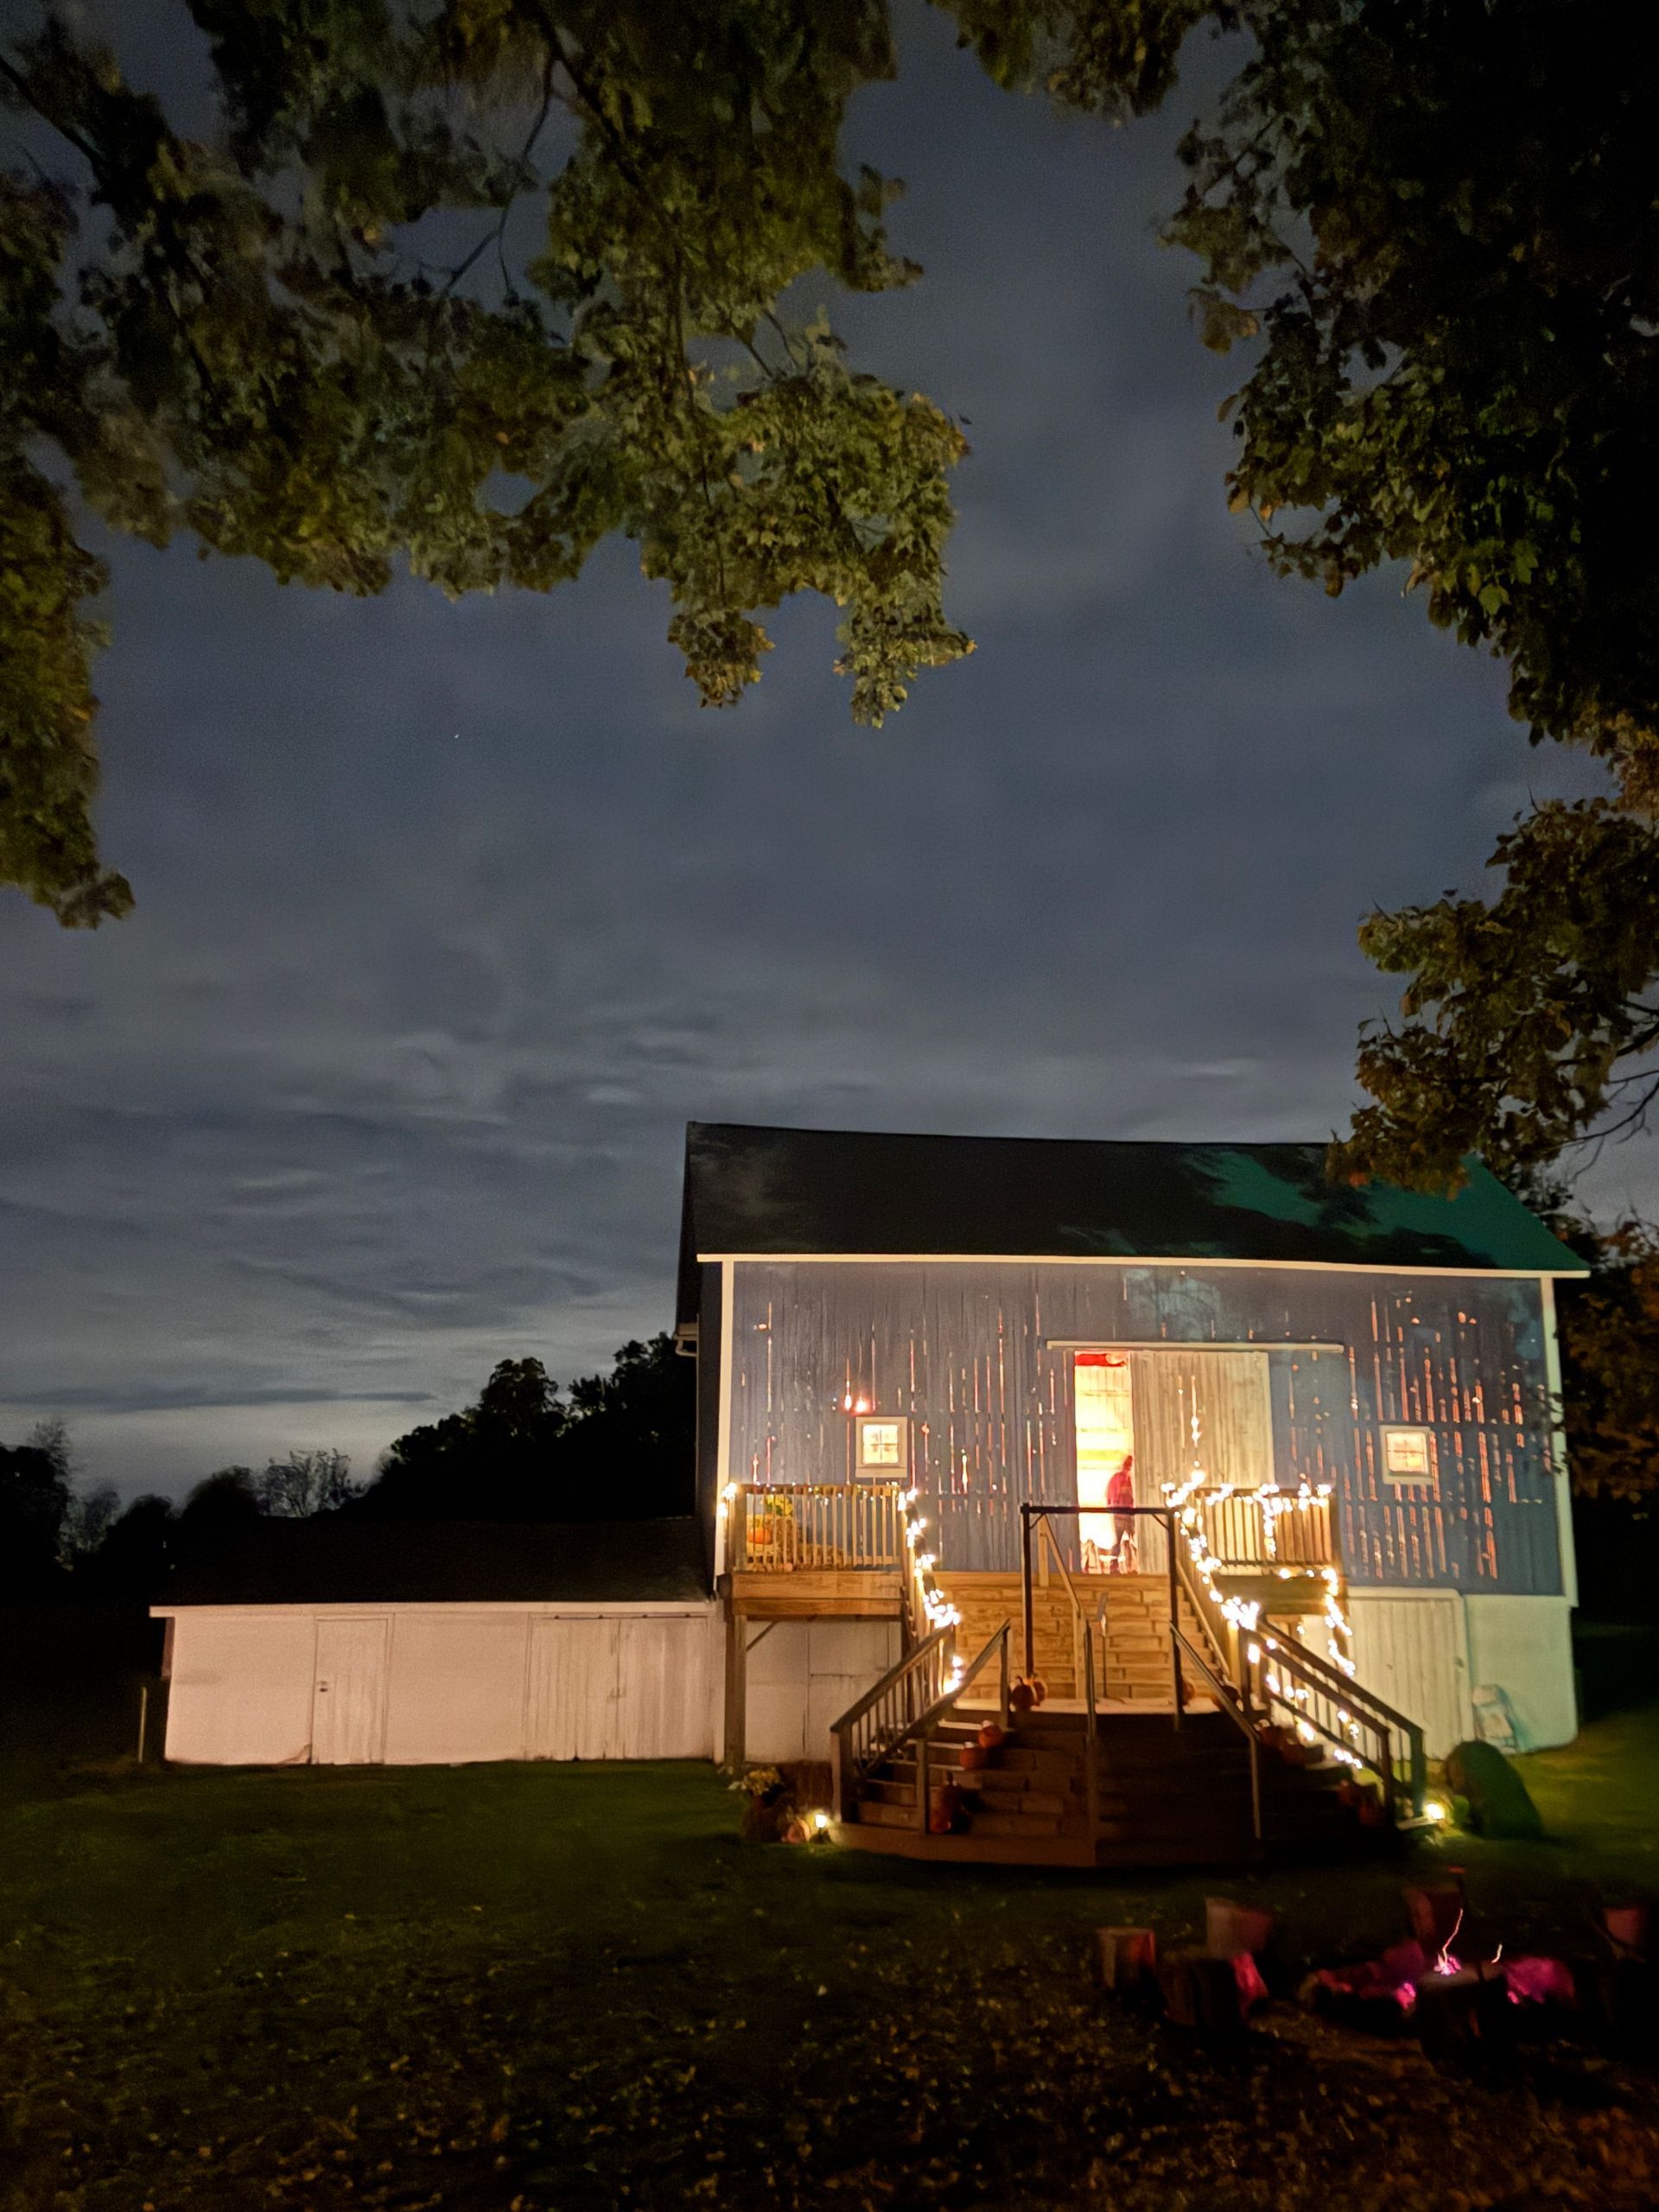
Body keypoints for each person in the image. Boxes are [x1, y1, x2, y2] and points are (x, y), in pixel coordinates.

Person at [1105, 1452, 1136, 1574]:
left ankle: (1125, 1565)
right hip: (1122, 1513)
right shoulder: (1121, 1478)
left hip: (1122, 1513)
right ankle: (1118, 1566)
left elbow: (1110, 1497)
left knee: (1125, 1541)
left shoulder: (1122, 1478)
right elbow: (1114, 1496)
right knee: (1125, 1540)